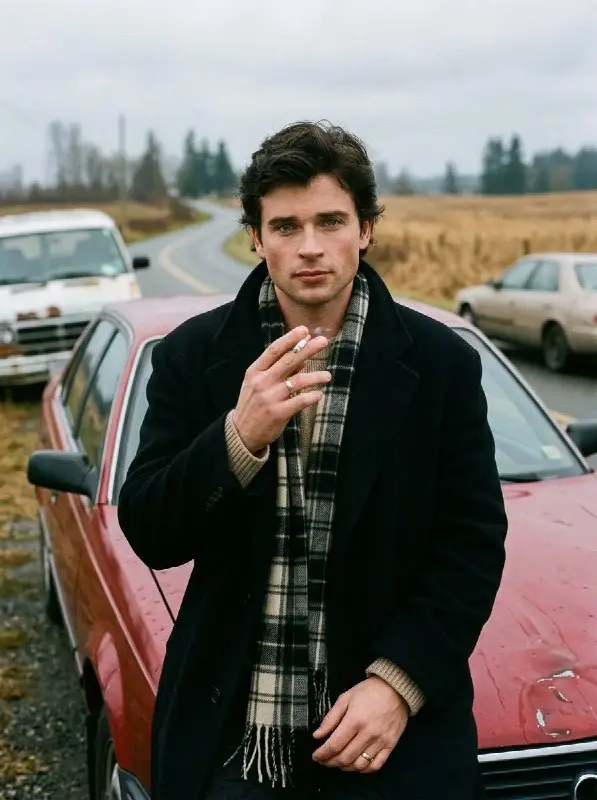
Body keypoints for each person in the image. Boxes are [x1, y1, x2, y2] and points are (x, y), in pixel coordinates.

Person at [117, 120, 508, 799]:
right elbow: (151, 532)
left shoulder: (441, 366)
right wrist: (238, 436)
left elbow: (470, 545)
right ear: (255, 238)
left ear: (366, 228)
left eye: (330, 221)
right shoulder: (190, 357)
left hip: (387, 733)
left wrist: (398, 684)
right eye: (285, 226)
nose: (309, 248)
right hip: (237, 730)